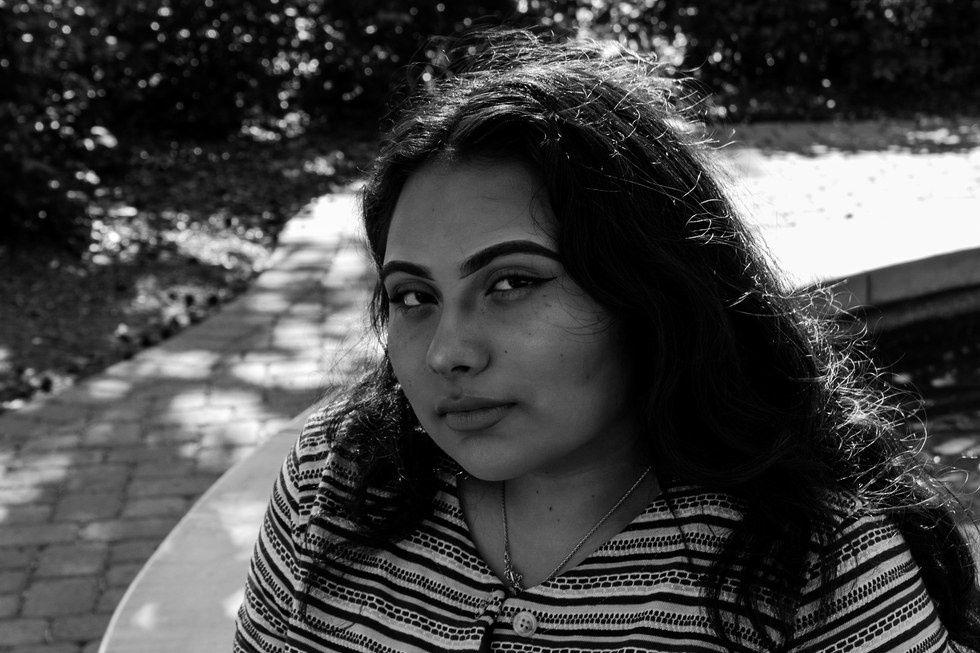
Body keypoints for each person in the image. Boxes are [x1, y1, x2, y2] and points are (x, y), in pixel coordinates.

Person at [234, 27, 980, 652]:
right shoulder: (334, 482)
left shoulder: (819, 569)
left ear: (646, 290)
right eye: (413, 297)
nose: (446, 353)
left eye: (511, 282)